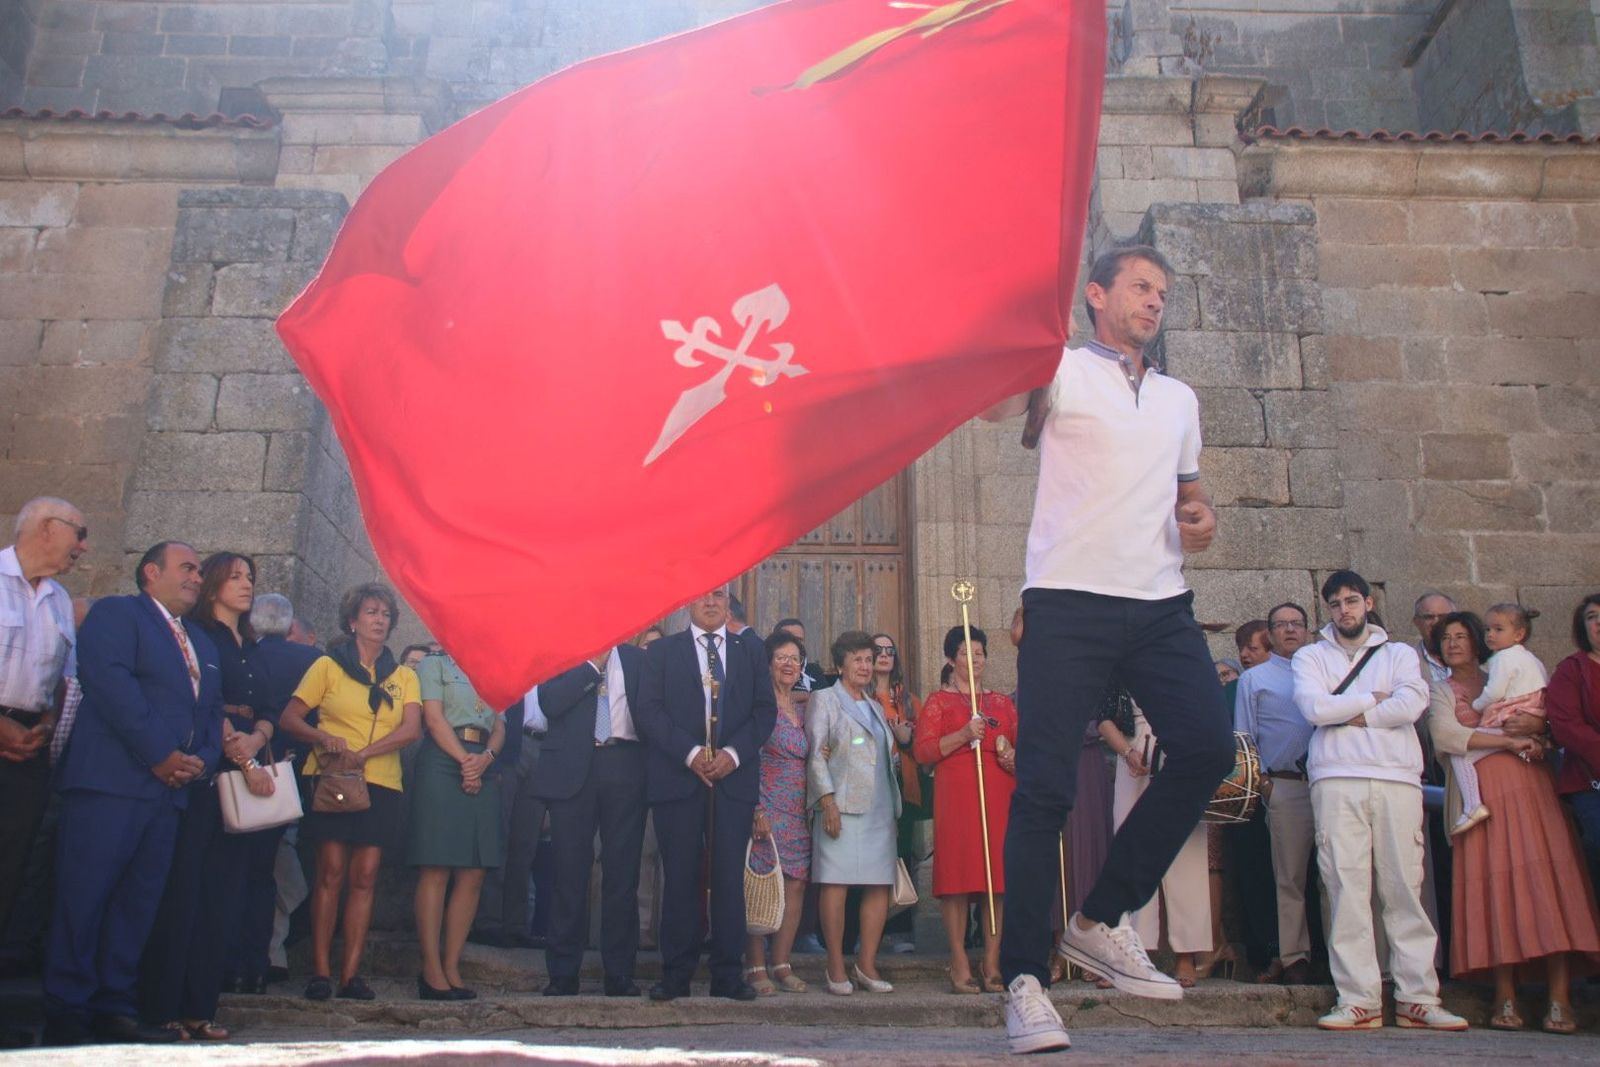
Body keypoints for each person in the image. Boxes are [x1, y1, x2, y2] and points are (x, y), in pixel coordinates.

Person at [980, 244, 1234, 1054]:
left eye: (1163, 289)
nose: (1155, 300)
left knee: (1206, 748)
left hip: (1159, 602)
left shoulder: (1178, 398)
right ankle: (1023, 979)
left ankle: (1097, 918)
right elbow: (989, 409)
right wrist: (1018, 337)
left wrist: (1202, 519)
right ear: (1097, 294)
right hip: (1069, 601)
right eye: (1140, 286)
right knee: (1045, 789)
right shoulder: (1059, 366)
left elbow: (1190, 500)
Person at [42, 542, 222, 1046]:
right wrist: (160, 754)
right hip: (111, 786)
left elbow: (211, 712)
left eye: (199, 570)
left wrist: (202, 760)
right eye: (187, 567)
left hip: (169, 795)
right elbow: (111, 684)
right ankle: (67, 1009)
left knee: (136, 904)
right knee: (85, 897)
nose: (196, 576)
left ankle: (114, 1005)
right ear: (151, 572)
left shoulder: (202, 644)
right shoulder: (118, 615)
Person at [1291, 569, 1465, 1032]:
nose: (1344, 610)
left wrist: (1352, 715)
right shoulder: (1310, 656)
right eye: (1335, 604)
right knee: (1345, 889)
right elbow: (1313, 709)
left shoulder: (1400, 653)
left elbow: (1411, 705)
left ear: (1368, 603)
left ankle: (1418, 998)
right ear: (1327, 609)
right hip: (1335, 778)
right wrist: (1373, 700)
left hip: (1395, 778)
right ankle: (1358, 999)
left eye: (1352, 600)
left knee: (1404, 888)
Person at [1426, 611, 1600, 1034]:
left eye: (1462, 635)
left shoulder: (1510, 667)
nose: (1454, 643)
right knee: (1495, 890)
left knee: (1549, 885)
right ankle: (1505, 994)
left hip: (1533, 788)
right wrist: (1510, 739)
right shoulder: (1442, 690)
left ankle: (1559, 997)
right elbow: (1447, 738)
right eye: (1445, 637)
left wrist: (1539, 726)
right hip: (1482, 799)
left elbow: (1551, 717)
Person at [140, 553, 279, 1041]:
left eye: (250, 578)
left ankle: (202, 1006)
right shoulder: (198, 637)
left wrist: (256, 746)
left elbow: (267, 710)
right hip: (208, 772)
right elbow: (205, 702)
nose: (245, 585)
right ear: (215, 584)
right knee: (186, 893)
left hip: (248, 776)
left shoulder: (253, 647)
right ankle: (163, 1007)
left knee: (225, 894)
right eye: (235, 576)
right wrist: (244, 759)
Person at [278, 583, 422, 1002]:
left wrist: (366, 753)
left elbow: (410, 730)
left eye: (386, 614)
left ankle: (351, 973)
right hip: (334, 779)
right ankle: (321, 971)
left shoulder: (404, 676)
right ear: (353, 620)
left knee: (365, 876)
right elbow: (290, 717)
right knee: (330, 872)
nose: (380, 620)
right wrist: (324, 738)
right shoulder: (327, 667)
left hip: (381, 782)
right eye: (372, 613)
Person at [635, 586, 777, 1002]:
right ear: (687, 602)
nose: (711, 602)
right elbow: (648, 711)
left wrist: (733, 754)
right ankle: (676, 974)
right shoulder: (662, 653)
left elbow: (763, 711)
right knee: (680, 878)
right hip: (678, 782)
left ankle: (728, 976)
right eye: (702, 595)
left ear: (729, 603)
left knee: (729, 879)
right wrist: (691, 753)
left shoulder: (749, 651)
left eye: (719, 595)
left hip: (733, 783)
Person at [0, 498, 86, 999]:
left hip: (29, 747)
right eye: (79, 532)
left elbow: (61, 678)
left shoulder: (57, 601)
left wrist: (47, 724)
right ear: (47, 528)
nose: (83, 545)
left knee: (11, 868)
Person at [535, 643, 648, 997]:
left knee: (622, 874)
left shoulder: (638, 659)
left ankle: (619, 974)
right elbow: (550, 703)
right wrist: (591, 665)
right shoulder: (561, 653)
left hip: (625, 765)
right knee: (569, 872)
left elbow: (654, 713)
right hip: (572, 771)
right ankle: (562, 973)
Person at [915, 626, 1017, 994]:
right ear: (950, 659)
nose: (974, 660)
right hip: (957, 791)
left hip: (997, 790)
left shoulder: (1003, 704)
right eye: (965, 653)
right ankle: (958, 958)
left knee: (996, 879)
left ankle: (992, 959)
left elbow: (1020, 749)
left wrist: (1010, 756)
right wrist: (962, 734)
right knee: (957, 877)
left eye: (979, 652)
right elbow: (924, 751)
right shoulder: (938, 702)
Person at [807, 630, 901, 996]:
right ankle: (835, 964)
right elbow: (816, 752)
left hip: (879, 807)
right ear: (840, 665)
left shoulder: (875, 705)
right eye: (858, 659)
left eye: (868, 658)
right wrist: (826, 800)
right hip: (841, 807)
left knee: (878, 884)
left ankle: (866, 964)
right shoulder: (824, 699)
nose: (865, 665)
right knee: (836, 882)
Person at [409, 650, 504, 1000]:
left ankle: (452, 964)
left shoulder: (495, 668)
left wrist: (485, 760)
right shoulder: (434, 664)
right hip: (442, 760)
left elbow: (500, 725)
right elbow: (433, 719)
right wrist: (466, 762)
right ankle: (431, 968)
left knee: (474, 870)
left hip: (483, 761)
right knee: (436, 866)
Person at [1098, 704, 1210, 987]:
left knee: (1186, 851)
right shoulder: (1116, 666)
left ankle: (1186, 953)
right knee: (1130, 849)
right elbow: (1103, 717)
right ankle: (1135, 951)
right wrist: (1127, 751)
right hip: (1132, 748)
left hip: (1182, 750)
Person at [1235, 601, 1317, 986]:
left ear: (1307, 630)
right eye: (1281, 625)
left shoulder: (1323, 670)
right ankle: (1294, 956)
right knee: (1290, 876)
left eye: (1296, 623)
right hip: (1285, 784)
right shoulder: (1256, 679)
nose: (1290, 630)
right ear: (1270, 635)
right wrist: (1264, 782)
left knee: (1338, 874)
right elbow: (1245, 737)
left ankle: (1337, 955)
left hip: (1330, 781)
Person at [745, 630, 812, 994]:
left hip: (798, 809)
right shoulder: (760, 705)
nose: (789, 664)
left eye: (795, 659)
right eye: (782, 658)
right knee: (762, 884)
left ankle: (782, 962)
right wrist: (755, 809)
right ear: (769, 663)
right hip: (767, 806)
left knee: (796, 884)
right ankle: (755, 965)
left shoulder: (802, 708)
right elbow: (750, 756)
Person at [1444, 604, 1548, 837]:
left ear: (1519, 634)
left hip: (1509, 720)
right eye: (1487, 629)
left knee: (1461, 755)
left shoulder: (1503, 658)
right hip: (1531, 716)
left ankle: (1472, 805)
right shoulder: (1531, 659)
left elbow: (1494, 691)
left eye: (1498, 629)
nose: (1490, 634)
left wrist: (1477, 705)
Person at [471, 686, 545, 949]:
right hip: (510, 747)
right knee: (498, 838)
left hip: (544, 749)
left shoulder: (556, 657)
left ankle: (516, 925)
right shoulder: (515, 651)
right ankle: (488, 921)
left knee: (526, 844)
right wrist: (497, 762)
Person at [870, 631, 926, 954]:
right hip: (871, 790)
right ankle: (863, 932)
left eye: (890, 650)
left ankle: (898, 931)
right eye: (877, 650)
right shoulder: (860, 696)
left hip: (903, 788)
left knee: (901, 857)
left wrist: (906, 740)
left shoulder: (908, 701)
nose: (884, 655)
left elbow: (924, 748)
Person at [1548, 594, 1600, 878]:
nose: (1599, 622)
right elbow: (1566, 725)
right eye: (1592, 617)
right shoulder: (1571, 670)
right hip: (1590, 781)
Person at [1410, 592, 1455, 685]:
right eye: (1429, 617)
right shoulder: (1408, 663)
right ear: (1416, 622)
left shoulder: (1476, 660)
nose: (1436, 622)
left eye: (1443, 617)